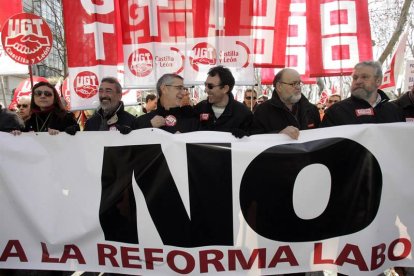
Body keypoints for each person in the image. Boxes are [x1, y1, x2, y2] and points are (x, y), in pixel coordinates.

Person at [321, 61, 404, 127]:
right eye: (355, 78)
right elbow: (325, 146)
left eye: (364, 77)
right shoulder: (336, 111)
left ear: (378, 80)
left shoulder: (394, 110)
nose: (358, 81)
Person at [252, 68, 320, 139]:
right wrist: (278, 135)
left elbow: (320, 139)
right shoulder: (262, 111)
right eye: (293, 84)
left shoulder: (312, 110)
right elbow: (256, 139)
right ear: (279, 87)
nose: (298, 87)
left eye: (299, 83)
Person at [193, 65, 253, 136]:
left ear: (225, 89)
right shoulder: (199, 108)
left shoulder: (244, 114)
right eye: (205, 85)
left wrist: (245, 137)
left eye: (210, 86)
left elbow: (252, 142)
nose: (205, 90)